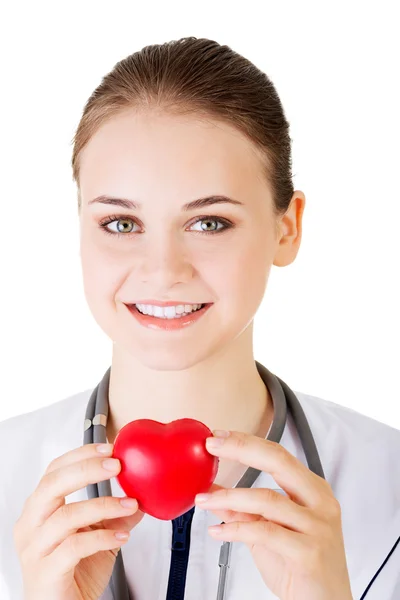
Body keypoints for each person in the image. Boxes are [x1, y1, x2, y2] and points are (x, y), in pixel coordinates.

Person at [0, 36, 399, 600]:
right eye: (120, 223)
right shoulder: (4, 474)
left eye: (209, 222)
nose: (163, 271)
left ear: (287, 228)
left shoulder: (391, 486)